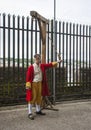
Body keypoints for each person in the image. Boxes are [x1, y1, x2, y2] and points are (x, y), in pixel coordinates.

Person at [26, 54, 62, 120]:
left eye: (39, 58)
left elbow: (49, 65)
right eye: (36, 59)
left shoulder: (42, 66)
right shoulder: (31, 67)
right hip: (33, 84)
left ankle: (38, 110)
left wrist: (58, 61)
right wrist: (28, 85)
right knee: (32, 98)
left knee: (39, 97)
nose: (38, 60)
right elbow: (28, 77)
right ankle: (30, 113)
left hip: (40, 83)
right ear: (34, 59)